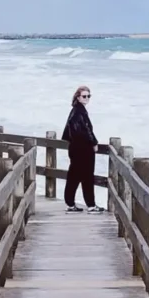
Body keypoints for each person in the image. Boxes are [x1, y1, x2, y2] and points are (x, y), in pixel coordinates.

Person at [62, 85, 103, 213]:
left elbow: (80, 131)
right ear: (78, 97)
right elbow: (84, 131)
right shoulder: (78, 112)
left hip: (77, 149)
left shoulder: (77, 110)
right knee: (86, 177)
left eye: (88, 96)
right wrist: (94, 142)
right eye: (84, 96)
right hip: (82, 150)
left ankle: (71, 203)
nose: (86, 98)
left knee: (74, 176)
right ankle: (90, 205)